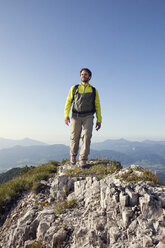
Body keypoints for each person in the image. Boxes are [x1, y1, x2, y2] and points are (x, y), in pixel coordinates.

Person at [64, 68, 102, 167]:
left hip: (88, 116)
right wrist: (66, 115)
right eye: (82, 74)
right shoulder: (74, 88)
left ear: (89, 77)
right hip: (75, 116)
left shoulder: (93, 90)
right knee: (74, 136)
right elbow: (68, 102)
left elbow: (97, 105)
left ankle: (83, 158)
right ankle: (73, 155)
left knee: (87, 136)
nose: (83, 76)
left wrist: (99, 119)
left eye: (85, 74)